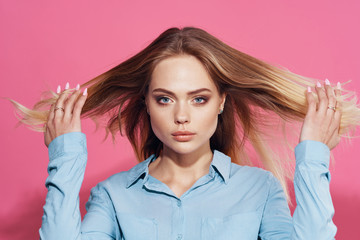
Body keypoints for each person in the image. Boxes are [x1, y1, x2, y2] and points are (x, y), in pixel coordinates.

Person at [11, 27, 360, 239]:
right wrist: (65, 156)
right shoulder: (113, 196)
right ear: (146, 103)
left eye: (199, 99)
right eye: (165, 99)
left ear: (221, 102)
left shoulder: (260, 189)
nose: (181, 116)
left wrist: (313, 156)